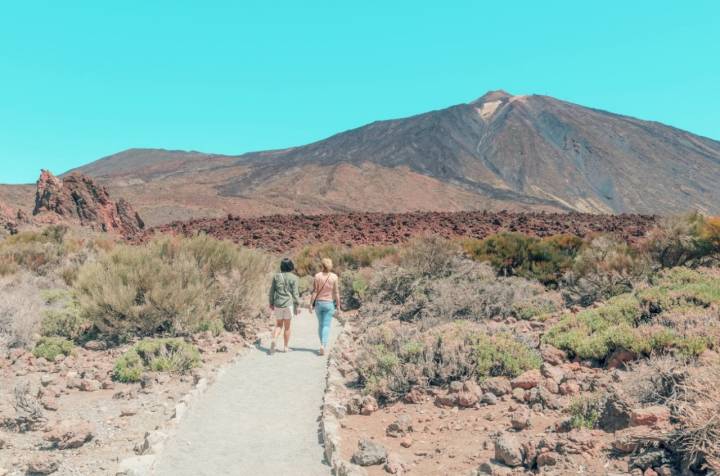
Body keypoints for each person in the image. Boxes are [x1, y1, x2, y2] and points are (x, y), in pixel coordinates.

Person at [268, 258, 300, 354]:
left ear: (281, 266)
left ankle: (274, 339)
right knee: (287, 327)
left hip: (278, 303)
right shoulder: (294, 278)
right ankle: (286, 347)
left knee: (278, 324)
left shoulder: (276, 276)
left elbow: (272, 291)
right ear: (291, 266)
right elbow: (295, 293)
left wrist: (271, 303)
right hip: (288, 304)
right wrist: (297, 305)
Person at [311, 257, 341, 356]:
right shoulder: (334, 277)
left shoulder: (317, 276)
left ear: (322, 265)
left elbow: (314, 291)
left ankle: (322, 345)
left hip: (319, 303)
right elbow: (336, 292)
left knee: (320, 324)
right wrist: (338, 306)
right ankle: (323, 345)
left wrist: (310, 304)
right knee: (326, 325)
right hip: (329, 303)